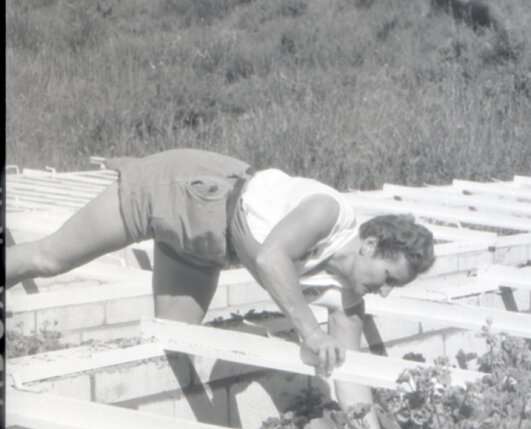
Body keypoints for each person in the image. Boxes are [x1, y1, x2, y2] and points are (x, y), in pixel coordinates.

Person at [5, 149, 435, 399]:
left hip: (207, 249)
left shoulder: (348, 299)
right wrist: (311, 332)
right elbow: (270, 259)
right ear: (371, 245)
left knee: (170, 342)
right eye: (389, 278)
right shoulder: (328, 212)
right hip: (181, 188)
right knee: (48, 260)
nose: (386, 293)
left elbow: (352, 380)